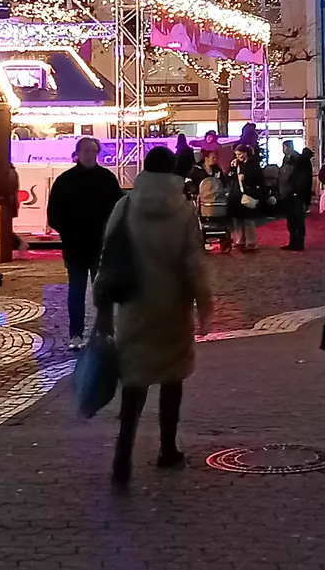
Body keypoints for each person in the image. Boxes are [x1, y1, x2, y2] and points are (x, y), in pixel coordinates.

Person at [103, 146, 214, 485]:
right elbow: (194, 264)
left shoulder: (126, 205)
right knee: (171, 379)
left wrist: (103, 303)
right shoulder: (181, 211)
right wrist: (205, 306)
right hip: (171, 307)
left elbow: (109, 254)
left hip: (135, 306)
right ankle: (167, 448)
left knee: (134, 383)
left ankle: (123, 456)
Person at [45, 136, 125, 346]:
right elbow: (53, 214)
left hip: (101, 246)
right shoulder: (65, 181)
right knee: (76, 291)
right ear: (78, 154)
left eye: (93, 151)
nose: (90, 155)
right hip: (76, 246)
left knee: (103, 292)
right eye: (87, 151)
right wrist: (68, 231)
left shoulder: (107, 179)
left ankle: (106, 331)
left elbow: (118, 210)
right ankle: (76, 334)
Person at [281, 141, 314, 251]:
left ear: (289, 148)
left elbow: (301, 178)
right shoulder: (289, 159)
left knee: (297, 219)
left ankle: (298, 242)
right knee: (292, 219)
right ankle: (293, 241)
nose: (283, 149)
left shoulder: (298, 160)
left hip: (296, 194)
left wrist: (297, 190)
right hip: (290, 193)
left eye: (284, 147)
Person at [234, 146, 267, 252]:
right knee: (239, 218)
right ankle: (242, 238)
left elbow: (259, 178)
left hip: (249, 193)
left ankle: (251, 241)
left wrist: (246, 177)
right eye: (237, 154)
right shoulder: (238, 163)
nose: (238, 157)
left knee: (248, 218)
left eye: (240, 154)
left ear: (245, 153)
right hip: (238, 193)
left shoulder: (253, 164)